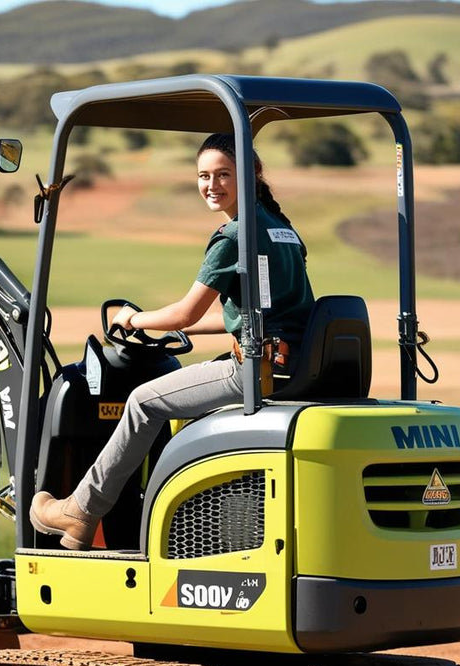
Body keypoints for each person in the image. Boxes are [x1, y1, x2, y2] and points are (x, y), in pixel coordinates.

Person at [30, 132, 315, 550]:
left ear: (251, 175)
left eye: (223, 174)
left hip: (254, 370)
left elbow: (186, 311)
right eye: (204, 176)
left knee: (143, 403)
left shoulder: (236, 236)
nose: (212, 185)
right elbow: (259, 315)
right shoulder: (282, 229)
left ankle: (81, 511)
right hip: (291, 365)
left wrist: (134, 318)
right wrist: (172, 329)